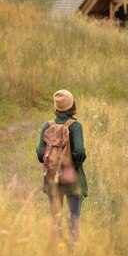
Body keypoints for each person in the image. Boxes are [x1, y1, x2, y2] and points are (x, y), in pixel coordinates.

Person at [36, 89, 88, 242]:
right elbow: (79, 151)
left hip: (52, 179)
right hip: (72, 178)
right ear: (72, 104)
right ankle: (73, 253)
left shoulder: (47, 126)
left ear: (56, 106)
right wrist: (74, 165)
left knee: (56, 219)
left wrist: (52, 163)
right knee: (74, 219)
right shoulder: (75, 126)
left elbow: (40, 153)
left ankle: (57, 251)